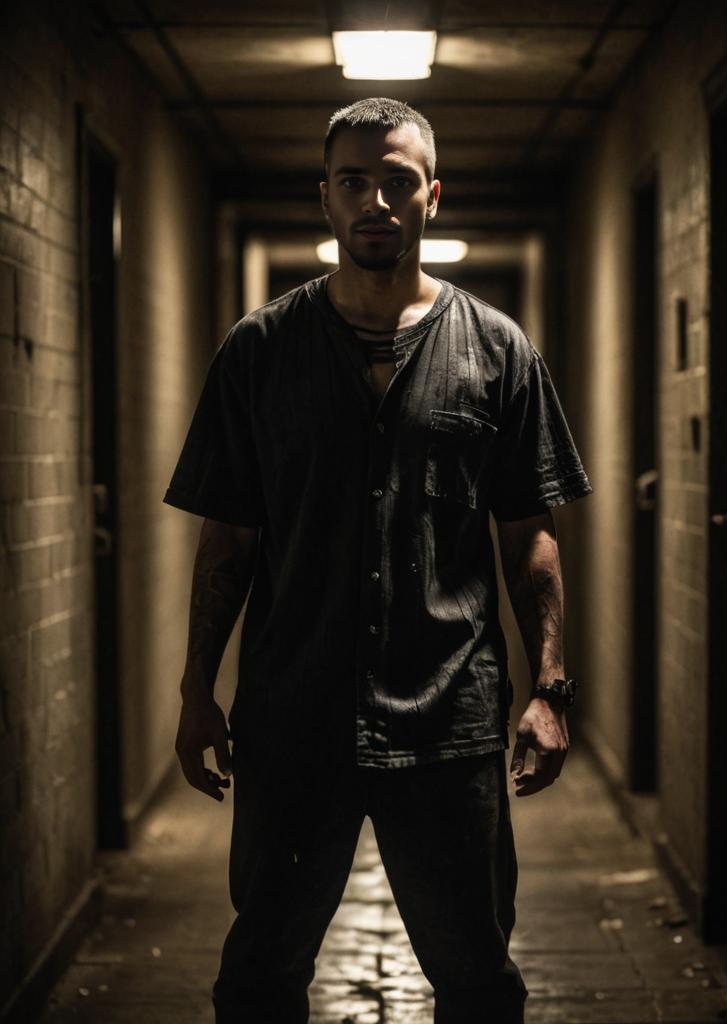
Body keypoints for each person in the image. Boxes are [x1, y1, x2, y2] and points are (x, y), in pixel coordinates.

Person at [164, 97, 592, 1024]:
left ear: (432, 195)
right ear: (324, 198)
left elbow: (532, 534)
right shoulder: (259, 353)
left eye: (397, 181)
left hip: (449, 723)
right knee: (260, 978)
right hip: (293, 723)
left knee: (478, 979)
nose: (375, 201)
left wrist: (550, 688)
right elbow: (227, 539)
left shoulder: (498, 352)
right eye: (353, 181)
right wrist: (199, 687)